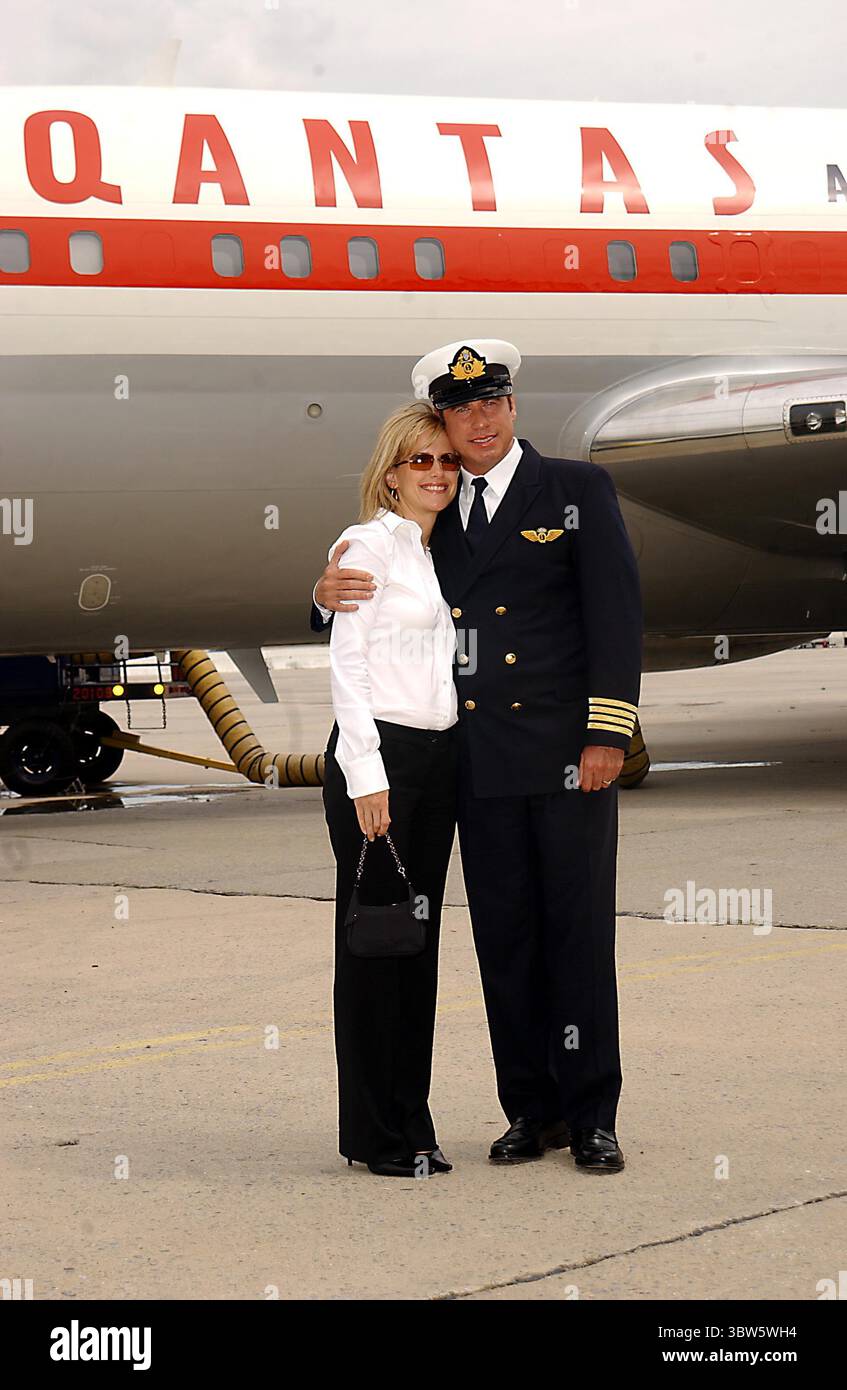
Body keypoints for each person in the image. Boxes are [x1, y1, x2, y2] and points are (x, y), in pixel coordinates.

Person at [313, 340, 643, 1175]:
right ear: (443, 427)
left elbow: (614, 615)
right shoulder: (436, 512)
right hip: (478, 764)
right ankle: (528, 1109)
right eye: (461, 411)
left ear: (512, 408)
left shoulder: (574, 489)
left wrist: (608, 734)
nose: (479, 420)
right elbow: (379, 597)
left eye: (491, 403)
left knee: (576, 932)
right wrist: (321, 597)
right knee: (505, 938)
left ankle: (590, 1113)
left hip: (567, 757)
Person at [321, 400, 461, 1178]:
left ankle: (414, 1120)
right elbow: (350, 666)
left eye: (444, 460)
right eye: (420, 461)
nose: (436, 473)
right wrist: (366, 777)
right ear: (391, 471)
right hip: (381, 762)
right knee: (375, 947)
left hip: (439, 764)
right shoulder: (366, 546)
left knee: (416, 946)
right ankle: (375, 1134)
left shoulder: (443, 550)